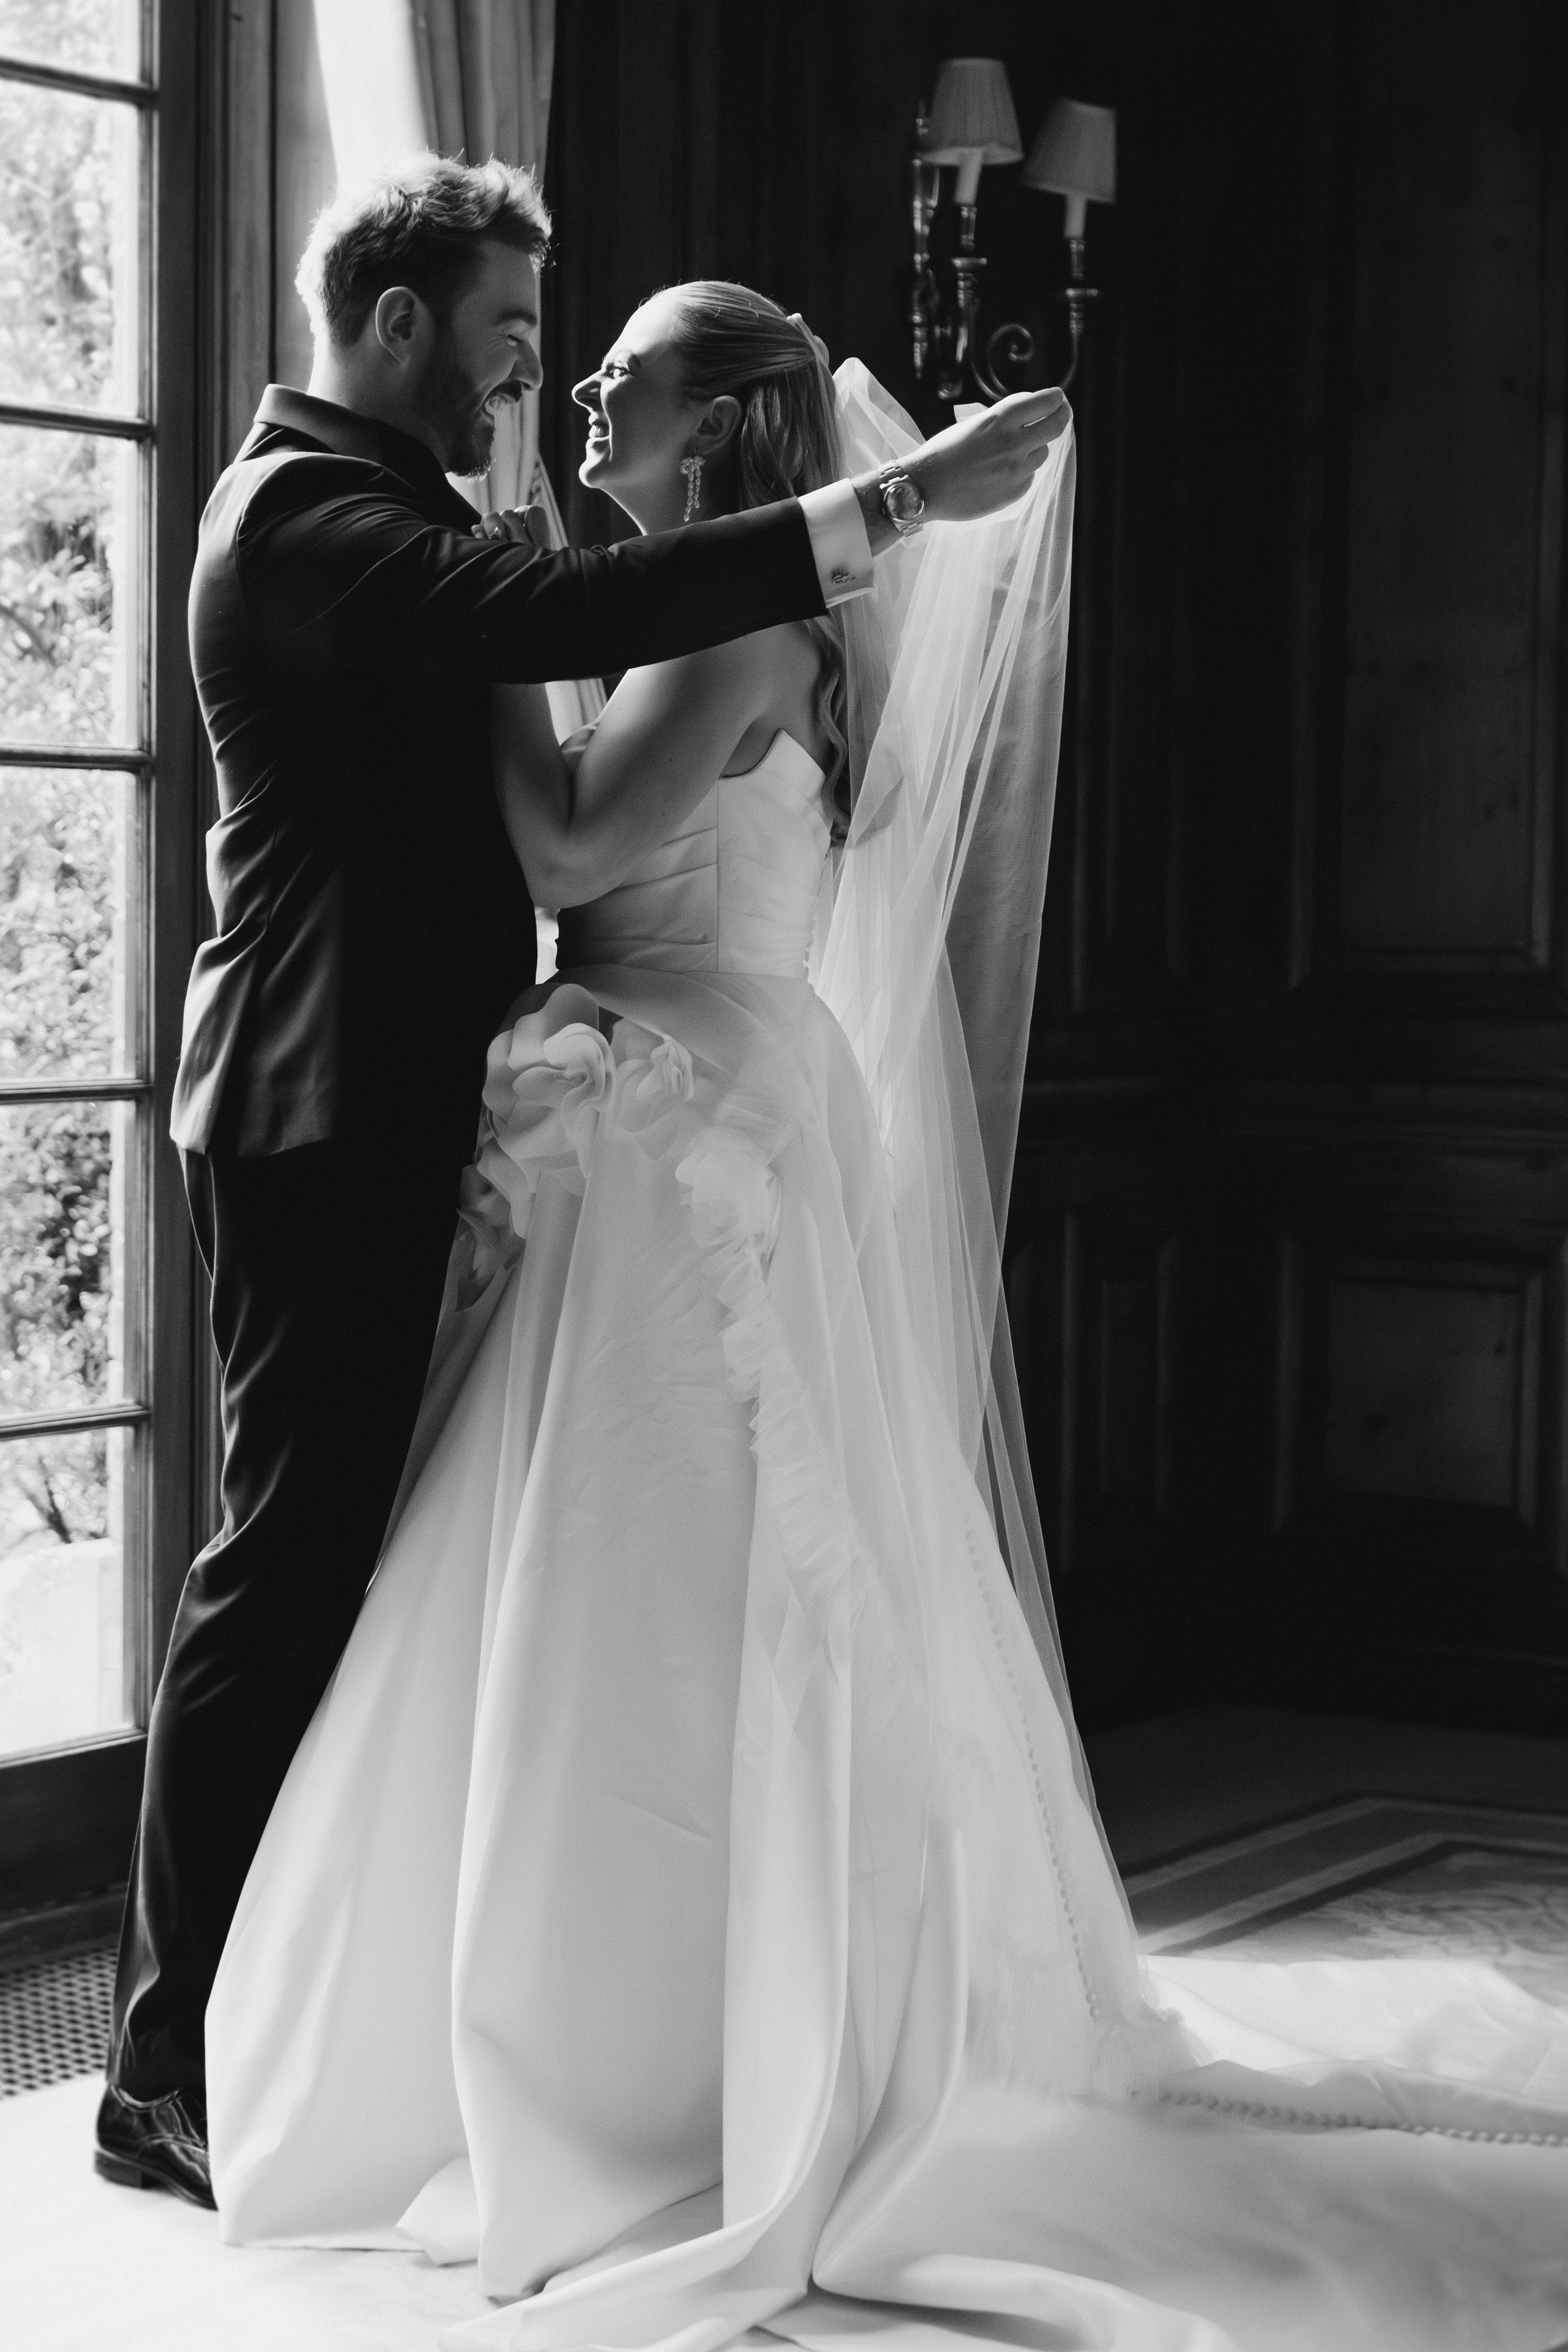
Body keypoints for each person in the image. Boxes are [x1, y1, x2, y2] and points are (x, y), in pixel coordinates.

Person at [203, 285, 1568, 2352]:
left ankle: (664, 2050)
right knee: (616, 1583)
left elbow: (572, 841)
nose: (579, 385)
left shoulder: (727, 624)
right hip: (681, 1100)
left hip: (686, 1149)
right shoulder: (692, 604)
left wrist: (495, 655)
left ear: (723, 423)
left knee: (654, 1589)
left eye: (625, 370)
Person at [96, 157, 1070, 2212]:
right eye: (515, 342)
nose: (537, 389)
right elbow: (559, 649)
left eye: (575, 356)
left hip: (484, 1090)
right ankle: (168, 2064)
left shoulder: (426, 517)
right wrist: (899, 501)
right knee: (286, 1573)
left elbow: (565, 718)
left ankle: (386, 2010)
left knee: (399, 1566)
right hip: (323, 1100)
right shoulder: (306, 516)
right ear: (393, 327)